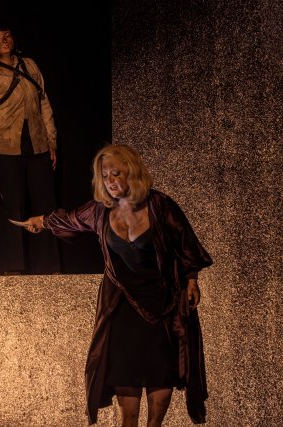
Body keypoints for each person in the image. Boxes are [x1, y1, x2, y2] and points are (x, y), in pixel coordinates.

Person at [23, 144, 212, 426]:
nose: (110, 181)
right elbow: (71, 219)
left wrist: (192, 279)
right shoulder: (100, 210)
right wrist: (41, 221)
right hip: (122, 307)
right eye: (105, 175)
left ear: (132, 172)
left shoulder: (160, 205)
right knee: (126, 384)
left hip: (162, 305)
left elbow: (185, 244)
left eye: (116, 173)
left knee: (160, 377)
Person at [0, 24, 60, 274]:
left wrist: (51, 141)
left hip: (37, 144)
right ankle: (13, 267)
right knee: (11, 207)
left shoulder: (29, 65)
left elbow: (44, 103)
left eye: (7, 35)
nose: (4, 40)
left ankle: (49, 266)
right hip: (5, 148)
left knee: (45, 206)